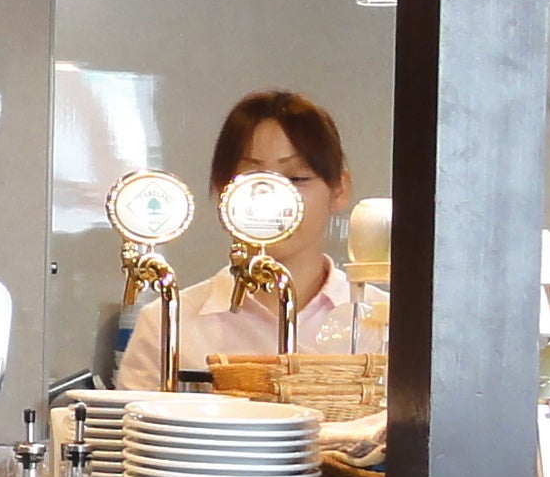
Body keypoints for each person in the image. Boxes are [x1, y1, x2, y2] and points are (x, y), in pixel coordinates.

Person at [114, 88, 382, 388]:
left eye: (297, 179)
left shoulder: (383, 322)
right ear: (223, 192)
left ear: (339, 189)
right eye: (253, 180)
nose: (273, 200)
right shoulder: (169, 323)